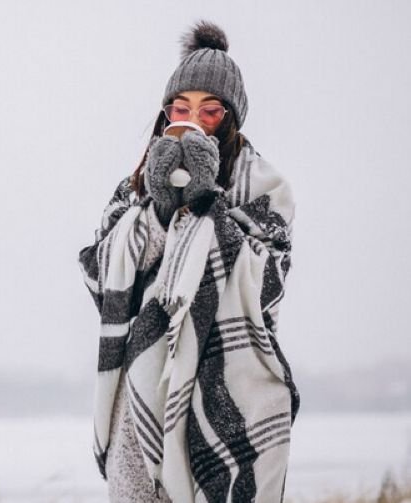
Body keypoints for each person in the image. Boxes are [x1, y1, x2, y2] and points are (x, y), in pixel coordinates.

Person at [77, 20, 300, 502]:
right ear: (165, 114)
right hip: (139, 391)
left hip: (227, 389)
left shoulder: (264, 188)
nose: (194, 119)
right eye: (181, 108)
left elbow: (268, 286)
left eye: (210, 110)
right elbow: (101, 279)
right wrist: (158, 208)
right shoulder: (133, 186)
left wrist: (206, 202)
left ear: (231, 117)